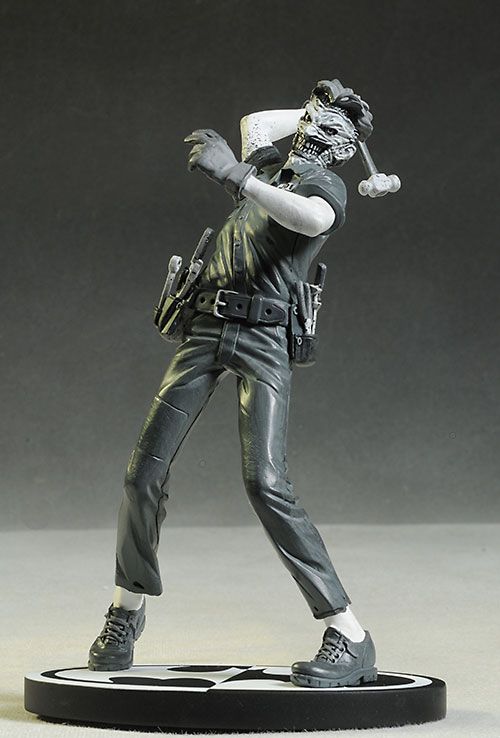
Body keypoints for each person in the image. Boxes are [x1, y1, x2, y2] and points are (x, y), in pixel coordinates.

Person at [88, 79, 378, 688]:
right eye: (311, 120)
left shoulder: (324, 186)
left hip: (264, 339)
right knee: (142, 474)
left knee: (266, 484)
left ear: (347, 149)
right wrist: (315, 110)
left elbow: (310, 217)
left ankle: (350, 634)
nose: (312, 132)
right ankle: (125, 610)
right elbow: (255, 124)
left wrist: (236, 177)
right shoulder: (273, 163)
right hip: (205, 328)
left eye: (331, 130)